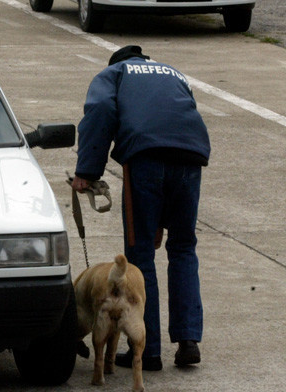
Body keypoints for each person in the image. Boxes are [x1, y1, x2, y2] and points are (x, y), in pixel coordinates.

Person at [71, 45, 210, 371]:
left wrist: (87, 171)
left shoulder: (113, 74)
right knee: (183, 247)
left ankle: (146, 352)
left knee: (141, 254)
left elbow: (101, 111)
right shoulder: (172, 73)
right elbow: (175, 117)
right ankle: (188, 340)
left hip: (145, 158)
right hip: (191, 156)